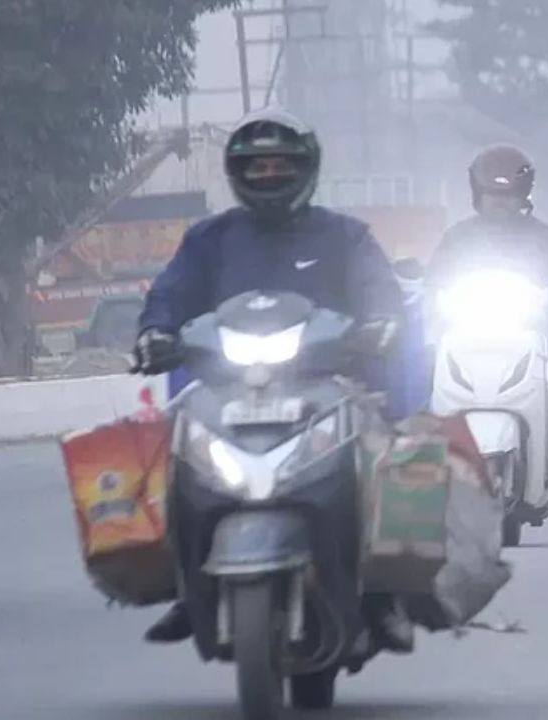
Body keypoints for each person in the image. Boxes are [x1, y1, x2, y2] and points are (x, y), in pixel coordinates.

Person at [131, 106, 416, 653]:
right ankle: (187, 586)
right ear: (237, 173)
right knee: (172, 458)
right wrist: (154, 332)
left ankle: (382, 598)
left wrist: (382, 323)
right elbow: (169, 293)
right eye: (257, 167)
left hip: (330, 382)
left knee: (387, 458)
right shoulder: (208, 239)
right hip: (226, 386)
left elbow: (378, 289)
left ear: (306, 167)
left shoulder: (346, 236)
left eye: (281, 164)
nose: (269, 175)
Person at [426, 145, 548, 481]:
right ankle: (421, 449)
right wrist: (428, 299)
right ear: (477, 194)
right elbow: (432, 280)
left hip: (527, 333)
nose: (500, 202)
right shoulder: (457, 238)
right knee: (423, 362)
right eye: (492, 195)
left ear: (523, 196)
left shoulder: (544, 237)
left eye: (508, 195)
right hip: (464, 334)